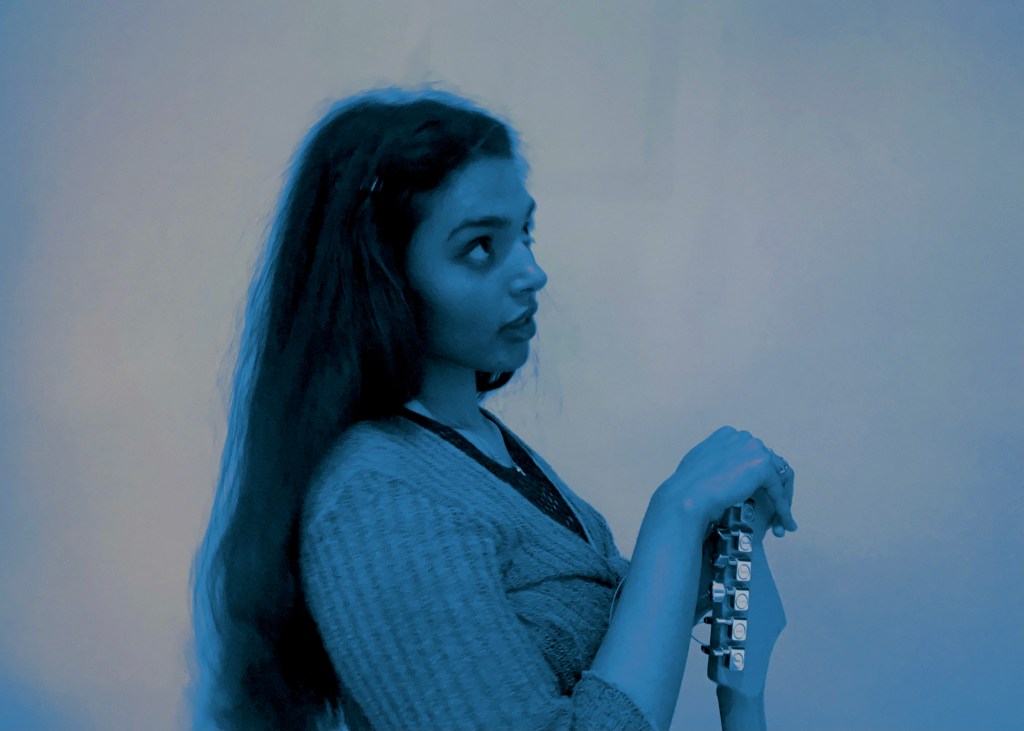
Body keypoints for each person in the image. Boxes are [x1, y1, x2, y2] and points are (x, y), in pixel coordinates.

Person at [186, 84, 798, 731]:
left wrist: (704, 558)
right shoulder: (378, 494)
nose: (532, 271)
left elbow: (595, 656)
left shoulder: (476, 445)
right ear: (383, 276)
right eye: (481, 246)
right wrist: (677, 513)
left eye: (525, 232)